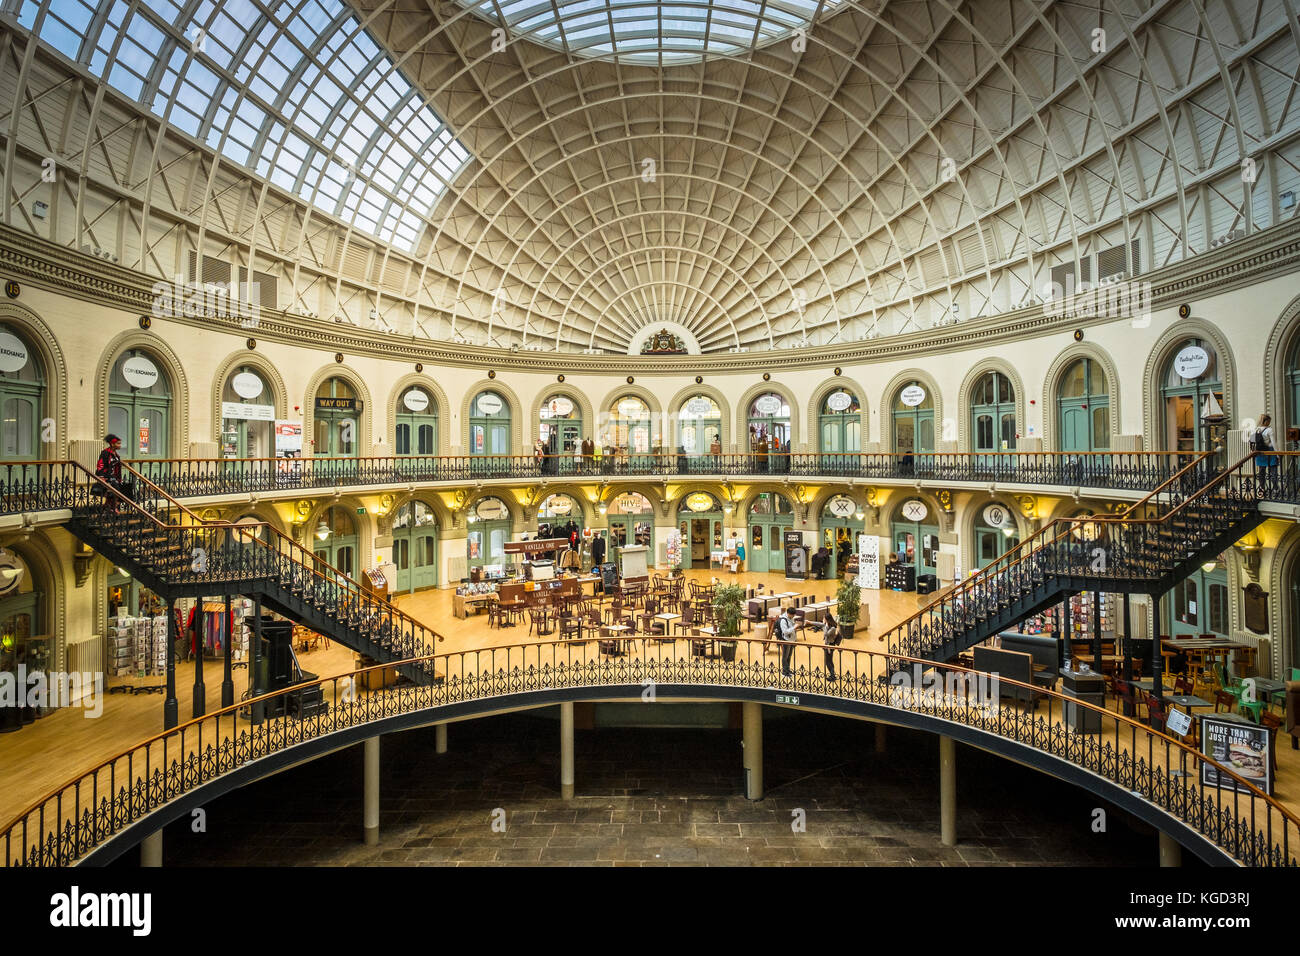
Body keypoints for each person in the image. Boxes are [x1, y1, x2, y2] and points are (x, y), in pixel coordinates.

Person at [95, 433, 126, 511]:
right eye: (118, 443)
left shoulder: (116, 454)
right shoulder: (105, 453)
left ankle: (107, 506)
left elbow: (116, 464)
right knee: (116, 490)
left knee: (124, 488)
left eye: (120, 443)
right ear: (112, 444)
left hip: (114, 476)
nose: (120, 445)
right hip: (107, 476)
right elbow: (100, 464)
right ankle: (113, 507)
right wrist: (101, 477)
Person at [1253, 413, 1278, 487]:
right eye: (1269, 421)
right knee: (1273, 470)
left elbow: (1252, 442)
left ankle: (1262, 488)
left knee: (1261, 471)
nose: (1269, 423)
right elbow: (1274, 443)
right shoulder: (1269, 430)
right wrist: (1277, 453)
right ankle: (1275, 488)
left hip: (1259, 452)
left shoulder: (1255, 429)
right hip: (1269, 451)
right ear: (1266, 421)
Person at [817, 608, 841, 681]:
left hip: (829, 646)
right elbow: (819, 624)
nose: (823, 619)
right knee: (830, 661)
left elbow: (826, 634)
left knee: (828, 662)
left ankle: (832, 676)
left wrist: (825, 625)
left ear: (827, 619)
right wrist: (809, 622)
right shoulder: (829, 625)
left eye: (824, 618)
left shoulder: (832, 628)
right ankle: (832, 675)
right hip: (828, 645)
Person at [777, 605, 799, 678]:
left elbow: (791, 628)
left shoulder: (791, 618)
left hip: (792, 640)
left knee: (789, 656)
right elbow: (785, 632)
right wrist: (794, 627)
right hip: (786, 640)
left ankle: (788, 669)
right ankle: (784, 672)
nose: (793, 616)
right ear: (788, 613)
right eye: (792, 615)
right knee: (785, 656)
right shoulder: (783, 620)